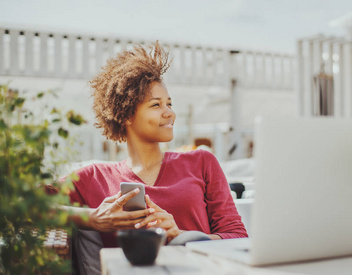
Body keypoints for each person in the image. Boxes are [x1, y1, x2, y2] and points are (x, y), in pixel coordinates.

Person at [60, 42, 248, 249]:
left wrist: (182, 235)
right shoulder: (94, 178)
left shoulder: (201, 162)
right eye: (156, 105)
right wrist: (93, 218)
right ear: (126, 115)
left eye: (169, 103)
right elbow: (26, 206)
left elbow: (237, 236)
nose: (169, 113)